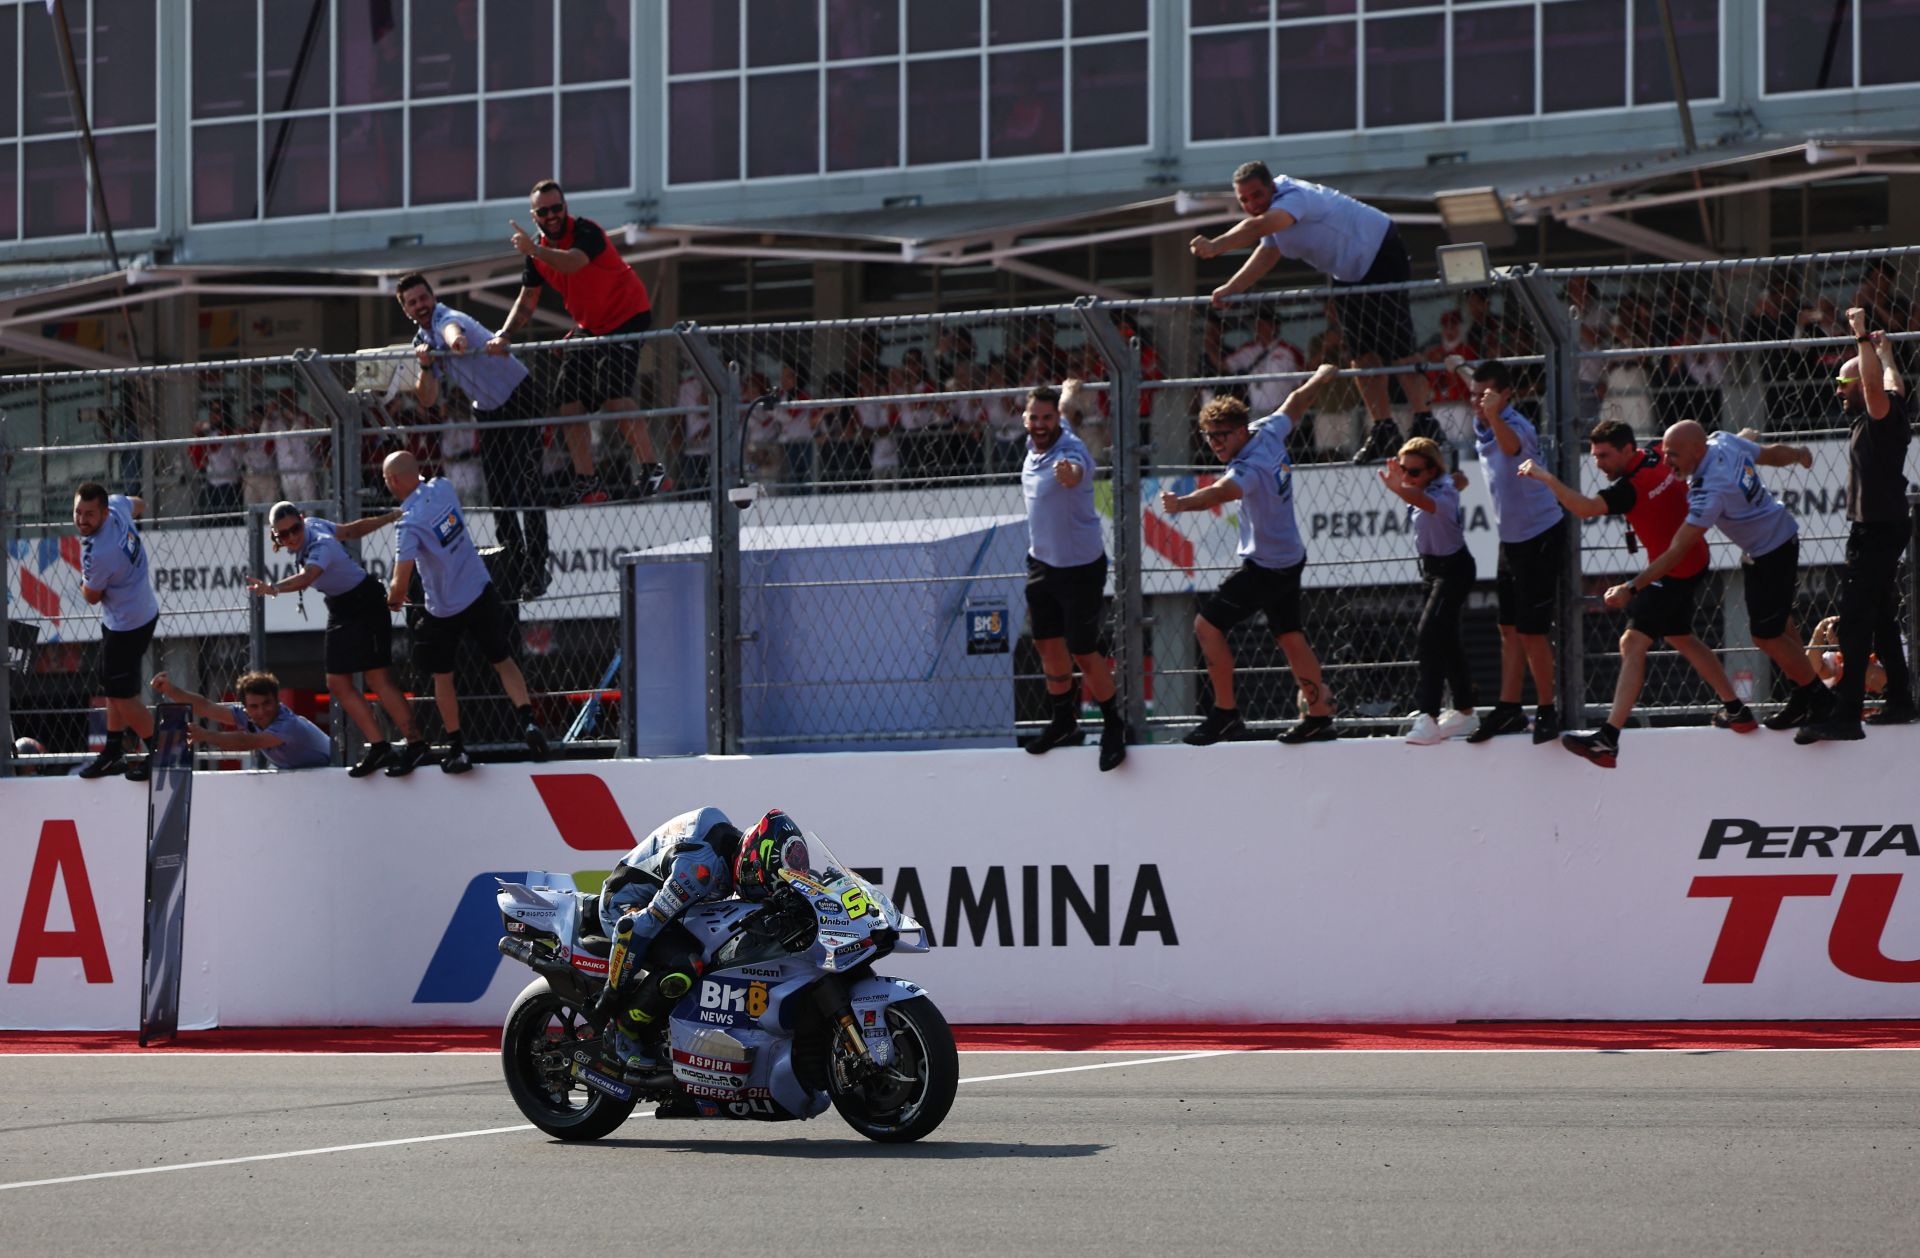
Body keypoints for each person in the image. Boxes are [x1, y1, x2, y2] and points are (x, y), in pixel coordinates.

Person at [1517, 420, 1759, 768]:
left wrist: (1546, 478)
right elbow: (1709, 445)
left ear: (1628, 449)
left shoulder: (1628, 488)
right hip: (1694, 559)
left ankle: (1608, 739)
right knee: (1680, 636)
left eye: (1604, 455)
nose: (1598, 463)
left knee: (1632, 643)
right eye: (1594, 456)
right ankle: (1737, 711)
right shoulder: (1660, 453)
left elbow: (1584, 508)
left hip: (1671, 570)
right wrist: (1744, 439)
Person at [1188, 160, 1434, 464]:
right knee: (1362, 355)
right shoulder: (1271, 217)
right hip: (1347, 273)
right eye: (1244, 200)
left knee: (1399, 348)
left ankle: (1425, 420)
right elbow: (1268, 251)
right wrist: (1232, 288)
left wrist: (1216, 245)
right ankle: (1384, 428)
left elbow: (1258, 227)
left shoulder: (1294, 196)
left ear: (1271, 187)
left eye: (1257, 195)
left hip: (1380, 252)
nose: (1252, 204)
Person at [1159, 363, 1342, 745]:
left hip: (1267, 567)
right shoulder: (1267, 431)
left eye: (1222, 436)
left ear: (1241, 431)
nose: (1215, 444)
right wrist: (1322, 377)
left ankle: (1226, 714)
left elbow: (1219, 492)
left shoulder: (1249, 467)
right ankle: (1319, 717)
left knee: (1206, 626)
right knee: (1290, 636)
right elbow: (1296, 401)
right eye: (1208, 436)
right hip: (1289, 557)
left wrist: (1181, 504)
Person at [1632, 420, 1834, 731]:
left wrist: (1633, 586)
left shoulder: (1708, 491)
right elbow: (1768, 453)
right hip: (1769, 545)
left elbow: (1676, 551)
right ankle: (1803, 696)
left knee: (1765, 636)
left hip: (1772, 550)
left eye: (1673, 454)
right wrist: (1798, 454)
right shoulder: (1723, 441)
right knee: (1778, 624)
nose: (1665, 460)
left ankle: (1820, 700)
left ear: (1696, 450)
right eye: (1665, 452)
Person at [486, 179, 663, 503]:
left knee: (614, 392)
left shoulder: (586, 231)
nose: (552, 215)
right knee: (568, 401)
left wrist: (535, 251)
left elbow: (573, 261)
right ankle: (587, 481)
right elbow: (527, 299)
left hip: (626, 315)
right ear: (534, 216)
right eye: (543, 211)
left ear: (565, 207)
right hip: (591, 326)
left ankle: (652, 468)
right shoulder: (536, 252)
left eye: (556, 208)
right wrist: (505, 334)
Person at [382, 449, 548, 773]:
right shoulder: (443, 487)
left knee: (443, 678)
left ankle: (457, 748)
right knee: (503, 660)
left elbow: (400, 584)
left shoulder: (408, 524)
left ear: (393, 481)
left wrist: (391, 599)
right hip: (479, 590)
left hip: (443, 609)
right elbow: (427, 486)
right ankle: (528, 719)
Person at [1797, 310, 1915, 741]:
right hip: (1882, 527)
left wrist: (1862, 336)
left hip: (1876, 531)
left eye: (1842, 383)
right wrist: (1886, 355)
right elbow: (1892, 384)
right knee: (1881, 619)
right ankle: (1900, 699)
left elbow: (1875, 386)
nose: (1838, 390)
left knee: (1855, 622)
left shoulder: (1879, 417)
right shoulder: (1889, 410)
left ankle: (1846, 715)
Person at [245, 501, 429, 777]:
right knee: (337, 682)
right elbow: (351, 530)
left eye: (295, 529)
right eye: (283, 534)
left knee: (377, 679)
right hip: (340, 607)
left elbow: (308, 577)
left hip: (365, 603)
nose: (292, 537)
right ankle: (380, 747)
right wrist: (389, 516)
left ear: (302, 520)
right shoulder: (314, 526)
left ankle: (417, 745)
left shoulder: (320, 543)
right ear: (275, 535)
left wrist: (273, 588)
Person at [399, 272, 550, 601]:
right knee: (499, 491)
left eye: (423, 298)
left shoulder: (446, 318)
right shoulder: (421, 341)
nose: (420, 305)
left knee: (527, 485)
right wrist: (425, 366)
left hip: (519, 395)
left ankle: (538, 567)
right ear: (406, 310)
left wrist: (455, 343)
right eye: (412, 302)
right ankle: (514, 564)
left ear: (433, 297)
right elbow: (427, 399)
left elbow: (453, 333)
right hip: (488, 408)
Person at [1019, 381, 1130, 772]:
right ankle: (1064, 721)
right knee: (1047, 644)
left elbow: (1077, 471)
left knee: (1083, 650)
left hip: (1080, 569)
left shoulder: (1070, 451)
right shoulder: (1047, 433)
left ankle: (1114, 725)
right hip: (1042, 565)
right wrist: (1068, 390)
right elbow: (1065, 408)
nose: (1041, 424)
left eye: (1047, 418)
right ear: (1025, 418)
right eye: (1035, 417)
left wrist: (1070, 473)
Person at [595, 805, 749, 1080]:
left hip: (671, 908)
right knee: (685, 964)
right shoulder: (698, 871)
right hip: (625, 906)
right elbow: (636, 928)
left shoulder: (736, 847)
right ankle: (622, 1030)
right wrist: (613, 994)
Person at [1462, 361, 1567, 745]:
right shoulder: (1486, 416)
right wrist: (1467, 380)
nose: (1478, 402)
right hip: (1511, 538)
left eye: (1486, 396)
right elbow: (1477, 391)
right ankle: (1508, 707)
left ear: (1506, 395)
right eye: (1474, 395)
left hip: (1538, 535)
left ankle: (1547, 709)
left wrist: (1492, 412)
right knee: (1507, 627)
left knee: (1531, 630)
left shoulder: (1514, 425)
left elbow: (1511, 448)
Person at [1377, 437, 1478, 744]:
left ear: (1433, 470)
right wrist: (1407, 485)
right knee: (1446, 639)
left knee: (1428, 635)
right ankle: (1465, 710)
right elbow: (1436, 489)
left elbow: (1429, 502)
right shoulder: (1430, 485)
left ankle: (1429, 715)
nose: (1407, 476)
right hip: (1431, 570)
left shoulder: (1441, 491)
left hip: (1454, 569)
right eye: (1403, 469)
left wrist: (1400, 488)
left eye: (1414, 471)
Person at [72, 482, 159, 781]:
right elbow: (139, 504)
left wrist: (82, 582)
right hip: (136, 612)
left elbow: (91, 596)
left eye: (89, 514)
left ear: (104, 512)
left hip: (127, 624)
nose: (82, 520)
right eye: (78, 512)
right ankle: (113, 751)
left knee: (122, 696)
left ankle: (160, 752)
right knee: (113, 687)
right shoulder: (118, 508)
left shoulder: (99, 552)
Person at [148, 671, 331, 770]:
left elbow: (247, 742)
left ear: (277, 700)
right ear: (245, 707)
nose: (262, 711)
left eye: (267, 703)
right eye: (254, 706)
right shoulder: (246, 715)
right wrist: (170, 691)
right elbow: (206, 707)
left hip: (333, 770)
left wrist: (205, 735)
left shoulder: (289, 725)